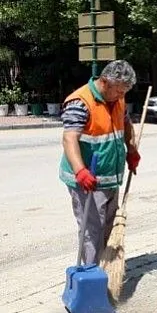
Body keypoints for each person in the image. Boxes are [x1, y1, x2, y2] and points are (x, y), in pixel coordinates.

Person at [58, 60, 140, 265]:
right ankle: (91, 276)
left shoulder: (118, 99)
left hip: (110, 179)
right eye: (119, 92)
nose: (122, 96)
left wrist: (131, 150)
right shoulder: (80, 102)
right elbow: (69, 139)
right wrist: (80, 171)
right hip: (87, 181)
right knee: (91, 232)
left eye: (124, 92)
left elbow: (126, 124)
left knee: (109, 228)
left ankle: (106, 269)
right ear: (105, 82)